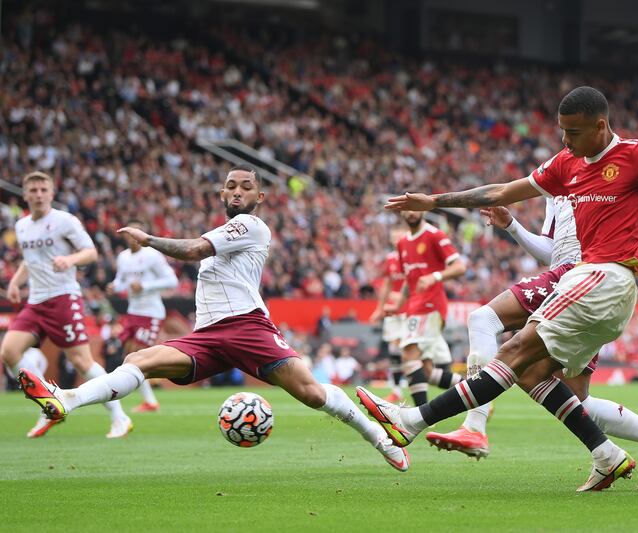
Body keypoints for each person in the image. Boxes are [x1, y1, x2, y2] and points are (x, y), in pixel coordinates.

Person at [357, 86, 638, 491]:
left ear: (600, 125)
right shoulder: (565, 166)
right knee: (535, 373)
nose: (565, 139)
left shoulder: (637, 155)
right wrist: (434, 202)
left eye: (574, 131)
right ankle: (610, 455)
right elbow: (504, 190)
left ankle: (417, 421)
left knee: (507, 348)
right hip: (586, 282)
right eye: (562, 130)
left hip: (605, 277)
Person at [18, 165, 409, 472]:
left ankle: (379, 437)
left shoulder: (250, 225)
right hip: (207, 335)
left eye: (245, 186)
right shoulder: (225, 228)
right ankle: (67, 398)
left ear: (259, 196)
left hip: (247, 327)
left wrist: (150, 240)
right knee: (138, 360)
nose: (237, 191)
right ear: (222, 193)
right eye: (231, 186)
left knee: (312, 394)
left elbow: (193, 250)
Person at [428, 188, 638, 480]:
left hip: (589, 276)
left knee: (484, 319)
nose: (567, 136)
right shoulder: (556, 173)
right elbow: (552, 250)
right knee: (571, 398)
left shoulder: (621, 161)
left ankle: (474, 425)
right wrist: (513, 227)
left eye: (573, 130)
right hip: (570, 279)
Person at [1, 171, 131, 439]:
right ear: (25, 195)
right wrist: (15, 282)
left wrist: (70, 260)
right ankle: (49, 404)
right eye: (33, 190)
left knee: (82, 361)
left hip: (63, 297)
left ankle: (120, 416)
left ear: (51, 193)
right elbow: (30, 260)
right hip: (36, 301)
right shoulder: (22, 225)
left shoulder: (64, 220)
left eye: (43, 189)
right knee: (9, 352)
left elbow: (91, 252)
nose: (38, 194)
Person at [386, 211, 466, 406]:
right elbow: (408, 279)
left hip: (430, 305)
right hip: (414, 307)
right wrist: (397, 305)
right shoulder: (403, 243)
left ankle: (420, 414)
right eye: (406, 208)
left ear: (422, 210)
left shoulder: (434, 235)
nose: (411, 212)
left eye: (415, 207)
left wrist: (435, 276)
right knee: (428, 372)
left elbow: (459, 267)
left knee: (408, 355)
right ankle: (479, 394)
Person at [107, 219, 179, 412]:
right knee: (129, 356)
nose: (134, 238)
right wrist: (115, 286)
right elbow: (123, 281)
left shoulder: (153, 256)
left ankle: (151, 398)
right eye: (130, 234)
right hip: (133, 312)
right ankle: (150, 401)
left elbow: (172, 280)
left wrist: (145, 286)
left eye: (137, 234)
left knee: (139, 355)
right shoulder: (123, 257)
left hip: (150, 312)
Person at [369, 227, 408, 402]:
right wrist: (379, 308)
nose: (395, 240)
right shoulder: (391, 259)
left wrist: (405, 296)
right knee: (394, 350)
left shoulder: (412, 257)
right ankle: (397, 390)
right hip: (393, 310)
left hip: (411, 310)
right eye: (393, 237)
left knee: (413, 352)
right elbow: (387, 284)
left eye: (398, 236)